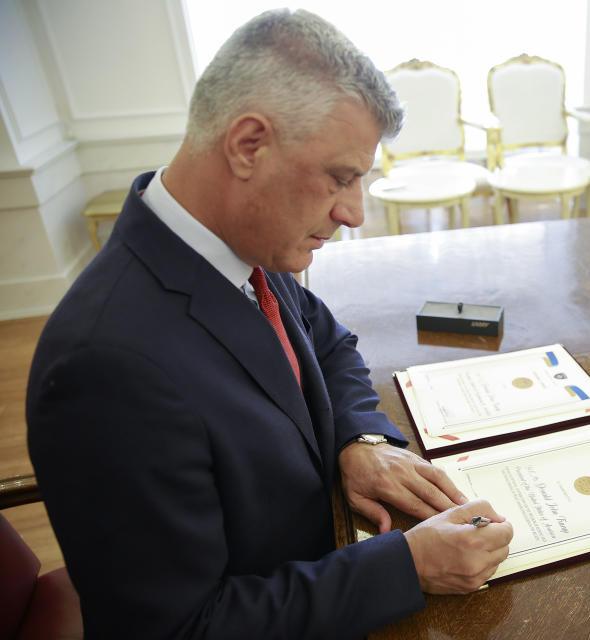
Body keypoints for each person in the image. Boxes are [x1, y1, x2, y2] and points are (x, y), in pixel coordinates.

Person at [26, 9, 512, 639]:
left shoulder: (241, 241)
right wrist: (407, 566)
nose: (355, 212)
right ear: (248, 145)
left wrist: (357, 441)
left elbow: (327, 342)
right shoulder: (104, 368)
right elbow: (181, 629)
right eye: (341, 177)